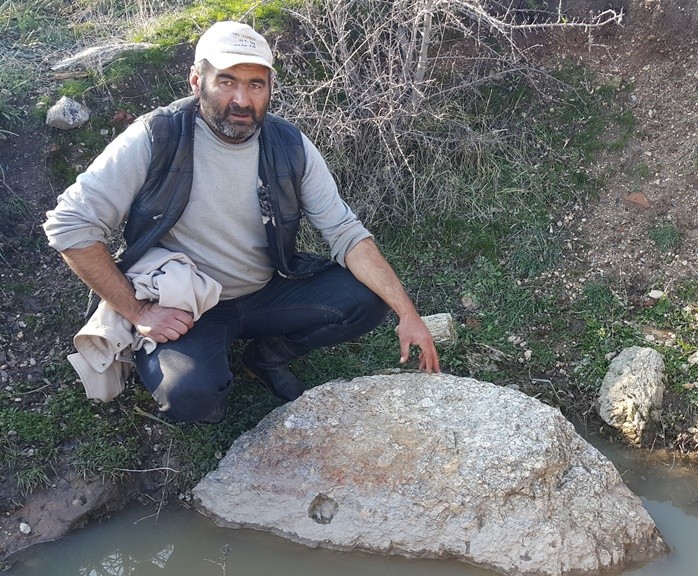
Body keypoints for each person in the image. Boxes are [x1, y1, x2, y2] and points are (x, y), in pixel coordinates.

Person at [44, 21, 440, 423]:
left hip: (266, 290)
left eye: (255, 84)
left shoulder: (290, 145)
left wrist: (408, 314)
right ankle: (208, 380)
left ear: (270, 87)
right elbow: (70, 225)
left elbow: (345, 232)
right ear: (197, 81)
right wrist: (137, 312)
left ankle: (265, 358)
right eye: (227, 81)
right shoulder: (155, 137)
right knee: (190, 397)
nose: (241, 99)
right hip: (189, 306)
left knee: (368, 300)